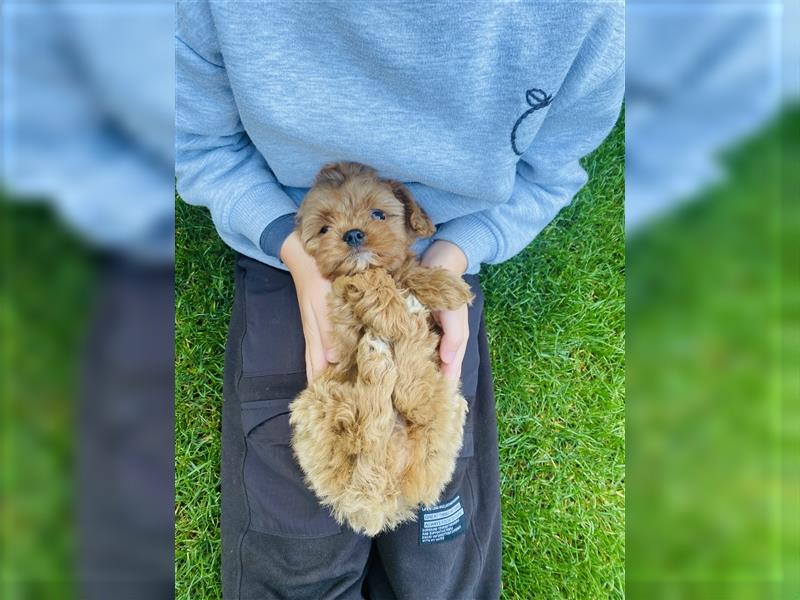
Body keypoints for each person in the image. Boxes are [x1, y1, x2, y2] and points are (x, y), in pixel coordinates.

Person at [176, 2, 623, 598]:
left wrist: (453, 255)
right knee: (296, 554)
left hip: (425, 256)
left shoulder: (580, 16)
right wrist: (298, 254)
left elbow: (551, 166)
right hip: (296, 242)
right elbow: (197, 140)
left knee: (438, 558)